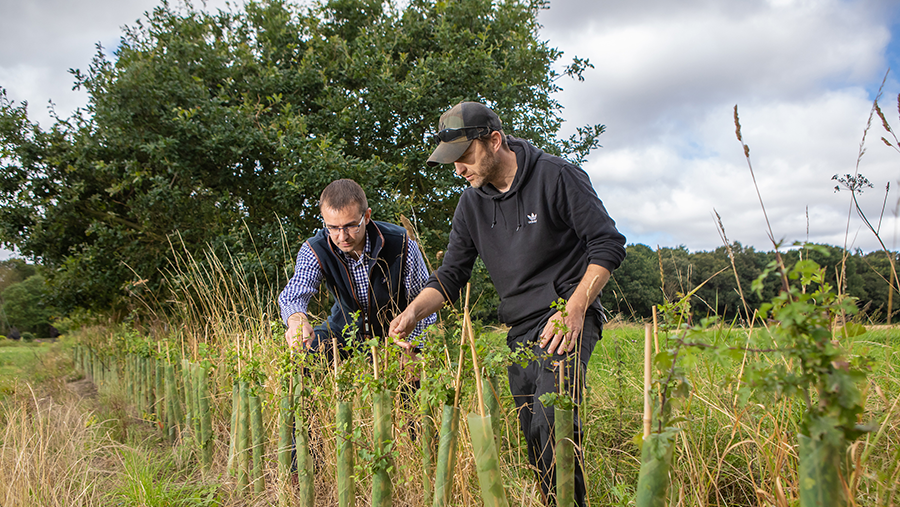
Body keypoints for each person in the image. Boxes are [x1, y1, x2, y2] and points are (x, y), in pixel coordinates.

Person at [389, 102, 626, 506]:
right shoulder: (470, 204)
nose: (458, 170)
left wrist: (574, 308)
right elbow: (450, 276)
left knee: (554, 424)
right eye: (452, 161)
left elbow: (607, 244)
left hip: (564, 317)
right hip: (519, 330)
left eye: (463, 157)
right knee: (534, 437)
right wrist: (413, 312)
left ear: (494, 141)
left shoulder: (557, 176)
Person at [279, 178, 436, 357]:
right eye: (333, 227)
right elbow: (294, 293)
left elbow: (423, 304)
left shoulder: (402, 244)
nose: (342, 236)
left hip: (393, 337)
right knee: (306, 357)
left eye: (351, 226)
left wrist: (413, 348)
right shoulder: (315, 249)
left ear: (367, 216)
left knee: (408, 383)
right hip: (343, 334)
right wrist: (297, 320)